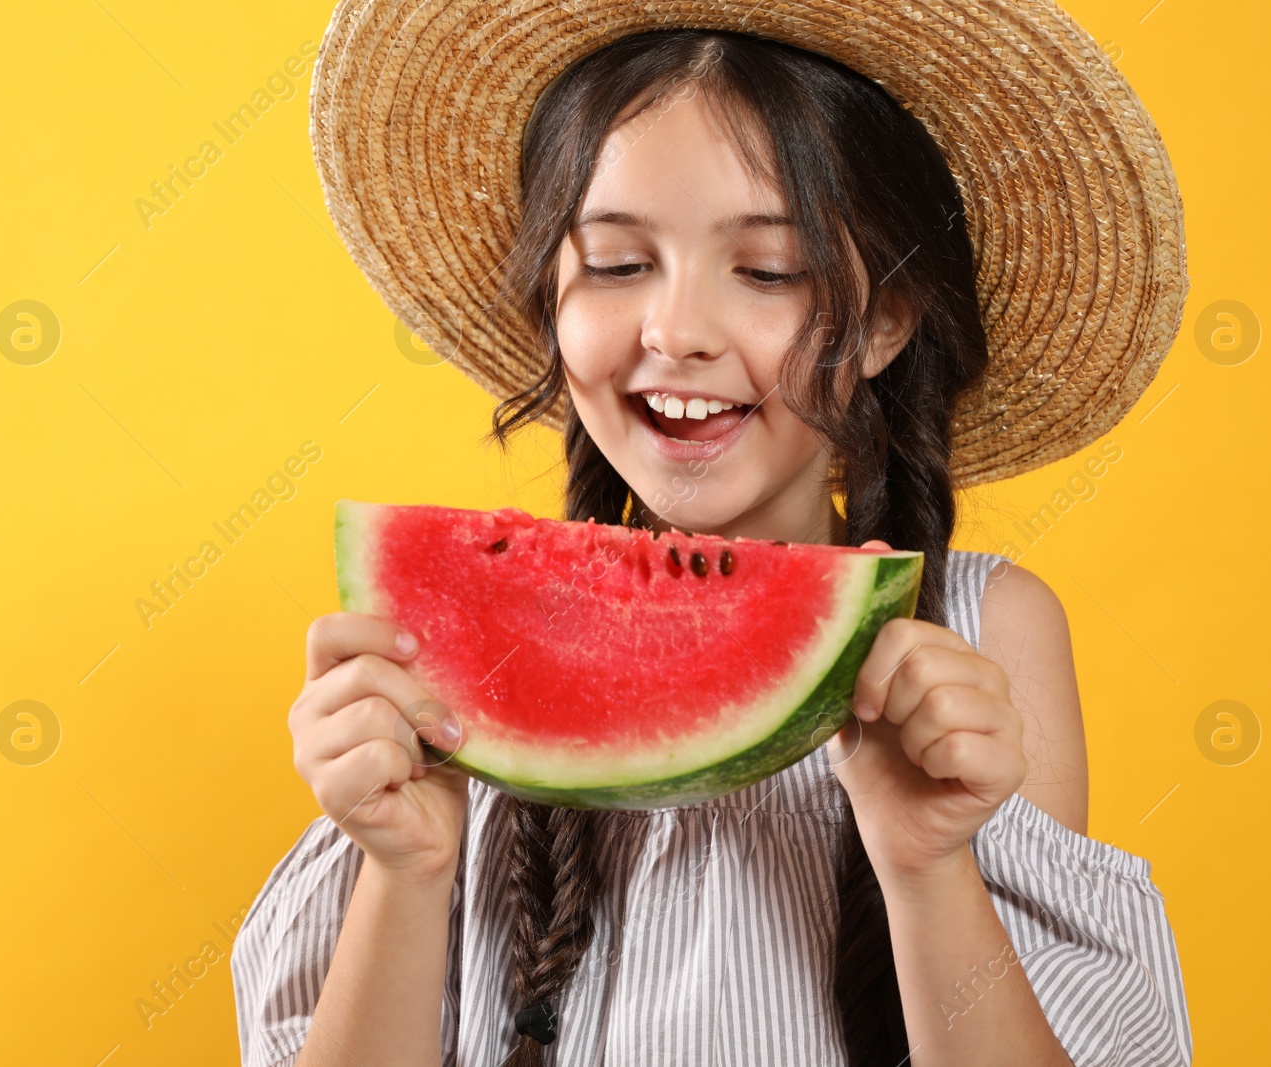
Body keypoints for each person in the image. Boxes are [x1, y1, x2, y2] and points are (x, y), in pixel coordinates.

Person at [233, 3, 1192, 1065]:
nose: (675, 332)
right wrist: (406, 868)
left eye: (769, 271)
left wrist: (927, 866)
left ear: (884, 318)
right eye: (612, 262)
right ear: (551, 296)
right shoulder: (444, 669)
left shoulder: (984, 630)